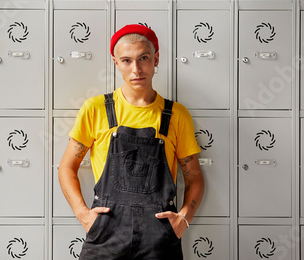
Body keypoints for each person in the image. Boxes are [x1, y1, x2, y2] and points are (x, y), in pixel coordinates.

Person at [58, 24, 205, 260]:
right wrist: (83, 214)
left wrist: (183, 219)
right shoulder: (96, 109)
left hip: (159, 236)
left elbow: (194, 176)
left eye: (144, 58)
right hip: (105, 232)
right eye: (126, 60)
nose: (136, 69)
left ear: (156, 59)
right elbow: (67, 167)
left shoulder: (176, 114)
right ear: (116, 63)